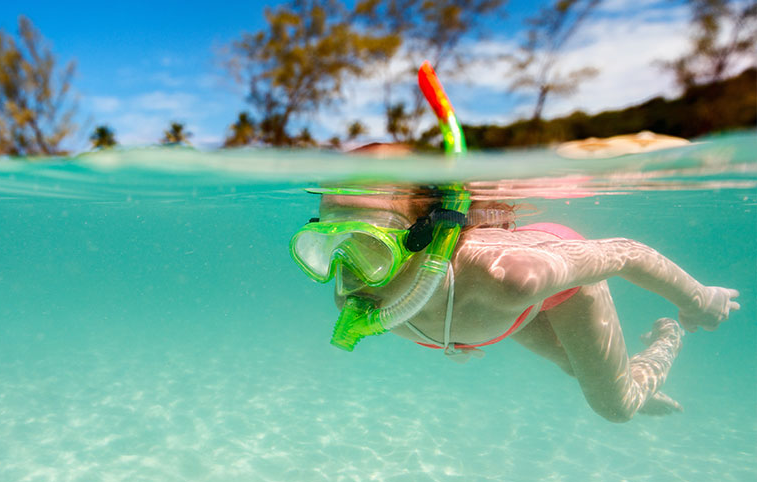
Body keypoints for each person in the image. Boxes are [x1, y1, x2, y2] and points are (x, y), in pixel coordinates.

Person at [288, 63, 740, 422]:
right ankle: (626, 380)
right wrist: (456, 338)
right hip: (495, 315)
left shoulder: (511, 278)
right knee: (573, 366)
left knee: (613, 407)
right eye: (327, 245)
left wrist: (699, 299)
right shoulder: (351, 290)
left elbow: (627, 253)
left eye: (368, 246)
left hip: (552, 282)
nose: (344, 271)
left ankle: (662, 346)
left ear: (428, 237)